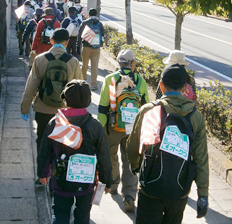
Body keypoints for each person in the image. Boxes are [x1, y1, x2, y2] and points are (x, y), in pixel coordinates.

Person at [126, 63, 209, 224]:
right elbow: (201, 158)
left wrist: (136, 165)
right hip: (180, 190)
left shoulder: (149, 110)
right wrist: (203, 194)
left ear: (161, 86)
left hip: (150, 186)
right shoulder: (195, 116)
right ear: (185, 87)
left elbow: (133, 146)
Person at [37, 79, 112, 224]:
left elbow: (45, 151)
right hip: (86, 181)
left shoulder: (56, 122)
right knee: (83, 216)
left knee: (60, 214)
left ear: (65, 99)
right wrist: (107, 180)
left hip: (61, 180)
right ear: (88, 100)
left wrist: (43, 172)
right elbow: (103, 154)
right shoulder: (94, 125)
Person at [98, 49, 149, 212]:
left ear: (120, 63)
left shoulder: (110, 79)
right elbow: (146, 106)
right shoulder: (140, 81)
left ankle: (113, 184)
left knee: (111, 155)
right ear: (132, 63)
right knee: (130, 160)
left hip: (113, 126)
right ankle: (129, 195)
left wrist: (101, 129)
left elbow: (103, 106)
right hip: (132, 129)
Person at [21, 28, 83, 156]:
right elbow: (80, 88)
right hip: (65, 112)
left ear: (51, 40)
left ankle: (42, 173)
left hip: (43, 109)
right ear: (66, 42)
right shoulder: (73, 62)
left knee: (42, 140)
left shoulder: (40, 59)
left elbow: (31, 86)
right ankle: (57, 172)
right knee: (63, 143)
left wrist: (25, 108)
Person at [77, 8, 104, 91]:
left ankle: (83, 82)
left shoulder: (85, 23)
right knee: (94, 66)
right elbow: (102, 36)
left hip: (86, 47)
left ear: (89, 14)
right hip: (96, 48)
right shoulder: (99, 24)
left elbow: (80, 35)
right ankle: (93, 84)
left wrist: (78, 46)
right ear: (96, 14)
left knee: (84, 65)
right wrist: (100, 45)